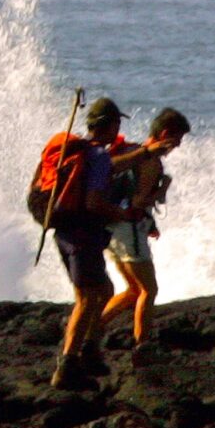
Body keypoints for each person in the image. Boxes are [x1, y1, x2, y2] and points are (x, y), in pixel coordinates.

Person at [37, 96, 129, 390]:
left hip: (62, 232)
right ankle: (67, 365)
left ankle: (90, 350)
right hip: (83, 236)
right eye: (116, 123)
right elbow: (93, 202)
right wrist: (121, 214)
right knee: (89, 298)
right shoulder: (98, 157)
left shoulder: (72, 151)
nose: (118, 128)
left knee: (104, 290)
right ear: (109, 125)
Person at [102, 107, 191, 350]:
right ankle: (142, 346)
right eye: (178, 139)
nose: (178, 146)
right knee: (149, 290)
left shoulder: (132, 151)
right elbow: (139, 201)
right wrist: (162, 189)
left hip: (110, 229)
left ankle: (90, 329)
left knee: (133, 289)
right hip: (128, 229)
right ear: (165, 134)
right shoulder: (151, 162)